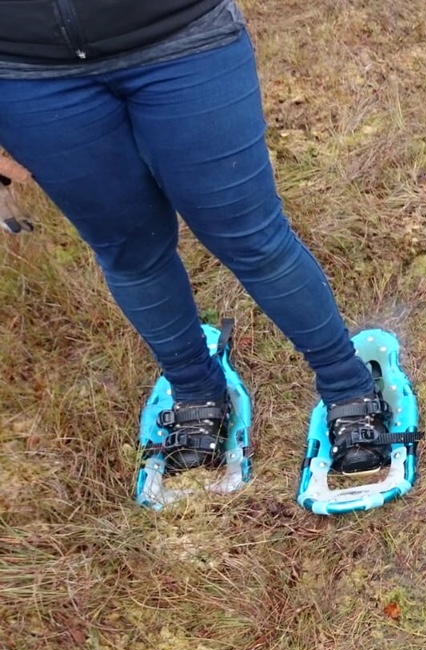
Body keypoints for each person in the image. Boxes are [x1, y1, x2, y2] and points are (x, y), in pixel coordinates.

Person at [0, 1, 393, 476]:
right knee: (130, 251)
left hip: (180, 38)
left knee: (253, 239)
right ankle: (194, 388)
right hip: (28, 75)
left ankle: (347, 385)